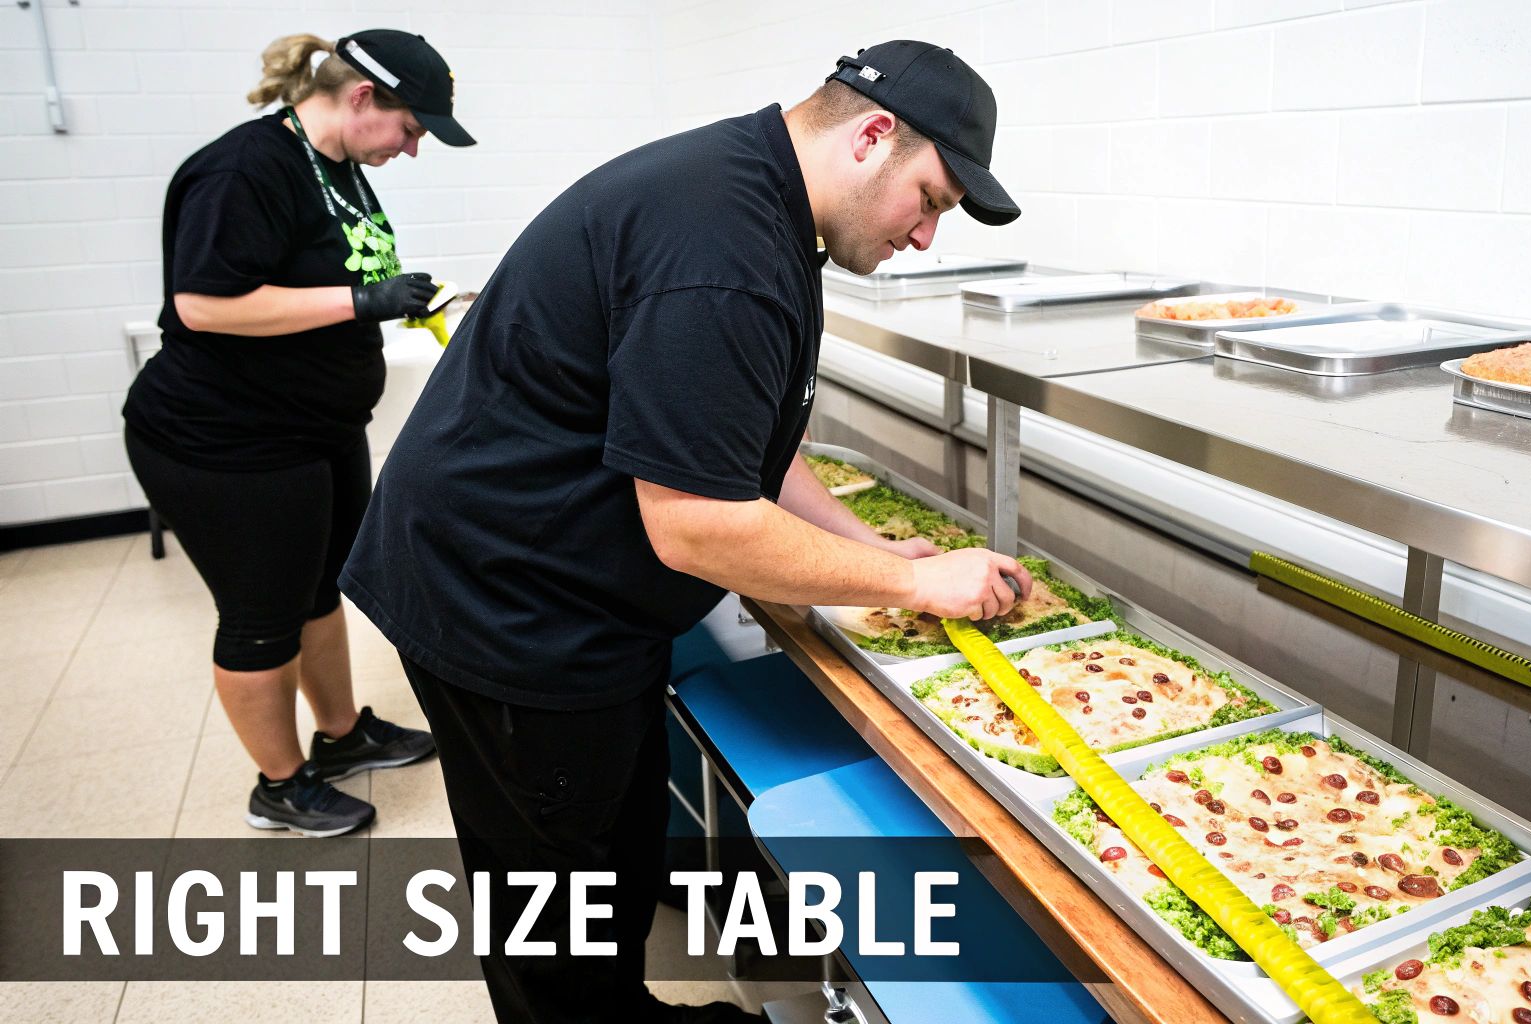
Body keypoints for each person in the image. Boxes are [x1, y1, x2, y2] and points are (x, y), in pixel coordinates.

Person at [340, 39, 1027, 1022]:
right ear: (873, 136)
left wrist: (872, 550)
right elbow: (699, 526)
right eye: (928, 198)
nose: (924, 235)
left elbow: (737, 438)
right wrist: (916, 587)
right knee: (555, 907)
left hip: (558, 579)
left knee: (612, 851)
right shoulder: (725, 244)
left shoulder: (759, 200)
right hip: (506, 600)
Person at [121, 30, 475, 837]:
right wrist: (363, 303)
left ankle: (343, 734)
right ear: (361, 99)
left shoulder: (339, 164)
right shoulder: (244, 169)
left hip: (315, 426)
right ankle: (279, 786)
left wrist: (396, 297)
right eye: (412, 129)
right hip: (225, 440)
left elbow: (322, 272)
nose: (413, 149)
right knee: (262, 613)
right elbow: (201, 306)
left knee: (321, 588)